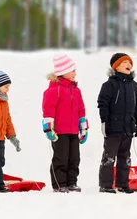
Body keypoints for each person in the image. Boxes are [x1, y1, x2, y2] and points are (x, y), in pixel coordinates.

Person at [97, 52, 137, 193]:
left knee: (125, 158)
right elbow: (102, 103)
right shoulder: (109, 85)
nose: (128, 65)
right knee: (109, 157)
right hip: (113, 127)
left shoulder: (134, 86)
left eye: (130, 63)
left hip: (128, 127)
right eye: (124, 62)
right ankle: (105, 185)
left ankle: (122, 184)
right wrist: (104, 121)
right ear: (116, 67)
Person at [42, 54, 88, 193]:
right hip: (60, 132)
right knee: (61, 158)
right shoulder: (53, 90)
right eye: (73, 70)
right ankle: (59, 184)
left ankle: (71, 182)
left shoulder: (76, 90)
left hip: (74, 130)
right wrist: (49, 129)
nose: (75, 73)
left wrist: (84, 128)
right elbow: (48, 110)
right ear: (64, 72)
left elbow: (81, 110)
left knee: (74, 158)